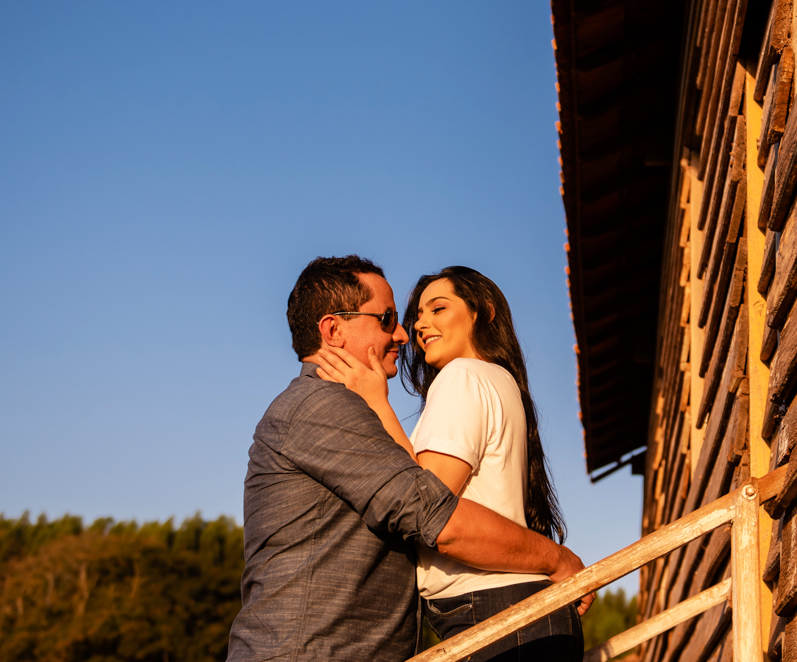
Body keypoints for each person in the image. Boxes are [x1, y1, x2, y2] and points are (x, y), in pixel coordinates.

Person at [227, 255, 591, 662]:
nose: (405, 333)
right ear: (333, 330)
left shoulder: (438, 385)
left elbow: (429, 505)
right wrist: (556, 558)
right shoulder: (321, 406)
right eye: (387, 319)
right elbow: (435, 514)